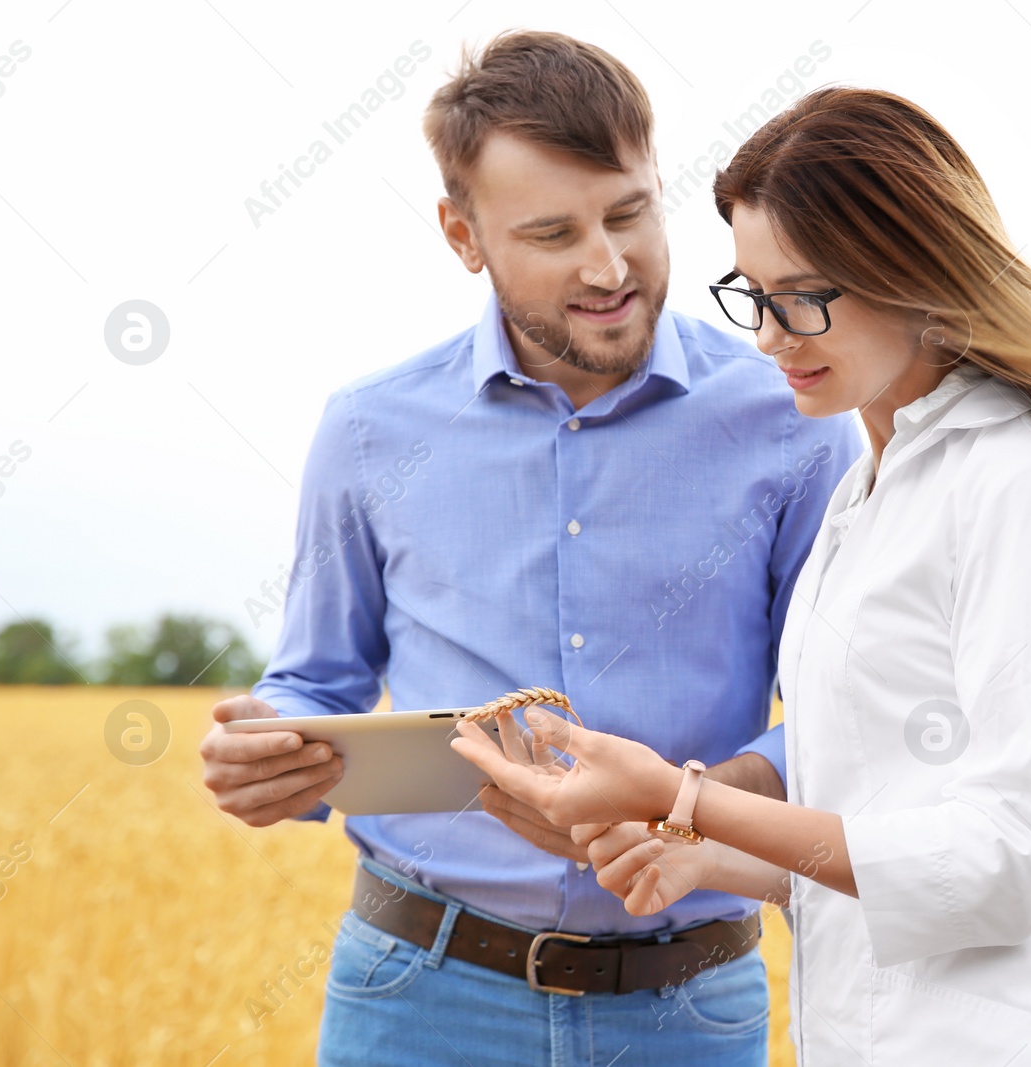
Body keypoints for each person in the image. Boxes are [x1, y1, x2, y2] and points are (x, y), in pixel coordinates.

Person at [454, 86, 1031, 1064]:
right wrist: (709, 855)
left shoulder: (1027, 486)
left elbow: (1002, 866)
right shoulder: (867, 495)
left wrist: (680, 794)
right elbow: (893, 840)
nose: (770, 336)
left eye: (804, 295)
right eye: (752, 295)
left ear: (916, 274)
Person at [197, 32, 861, 1067]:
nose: (608, 266)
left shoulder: (793, 417)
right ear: (463, 235)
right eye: (553, 233)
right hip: (415, 994)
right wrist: (272, 745)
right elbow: (315, 678)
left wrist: (679, 804)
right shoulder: (369, 430)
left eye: (631, 213)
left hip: (689, 1002)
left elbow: (842, 712)